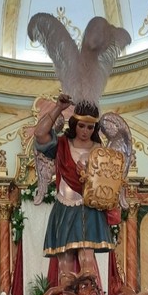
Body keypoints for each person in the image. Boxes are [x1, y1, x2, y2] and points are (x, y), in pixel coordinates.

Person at [33, 94, 117, 285]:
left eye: (90, 127)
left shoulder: (101, 151)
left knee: (87, 260)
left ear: (95, 128)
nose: (85, 131)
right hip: (64, 206)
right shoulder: (61, 144)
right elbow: (39, 134)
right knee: (64, 265)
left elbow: (107, 185)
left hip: (88, 207)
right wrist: (57, 108)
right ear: (74, 123)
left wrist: (89, 176)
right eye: (81, 125)